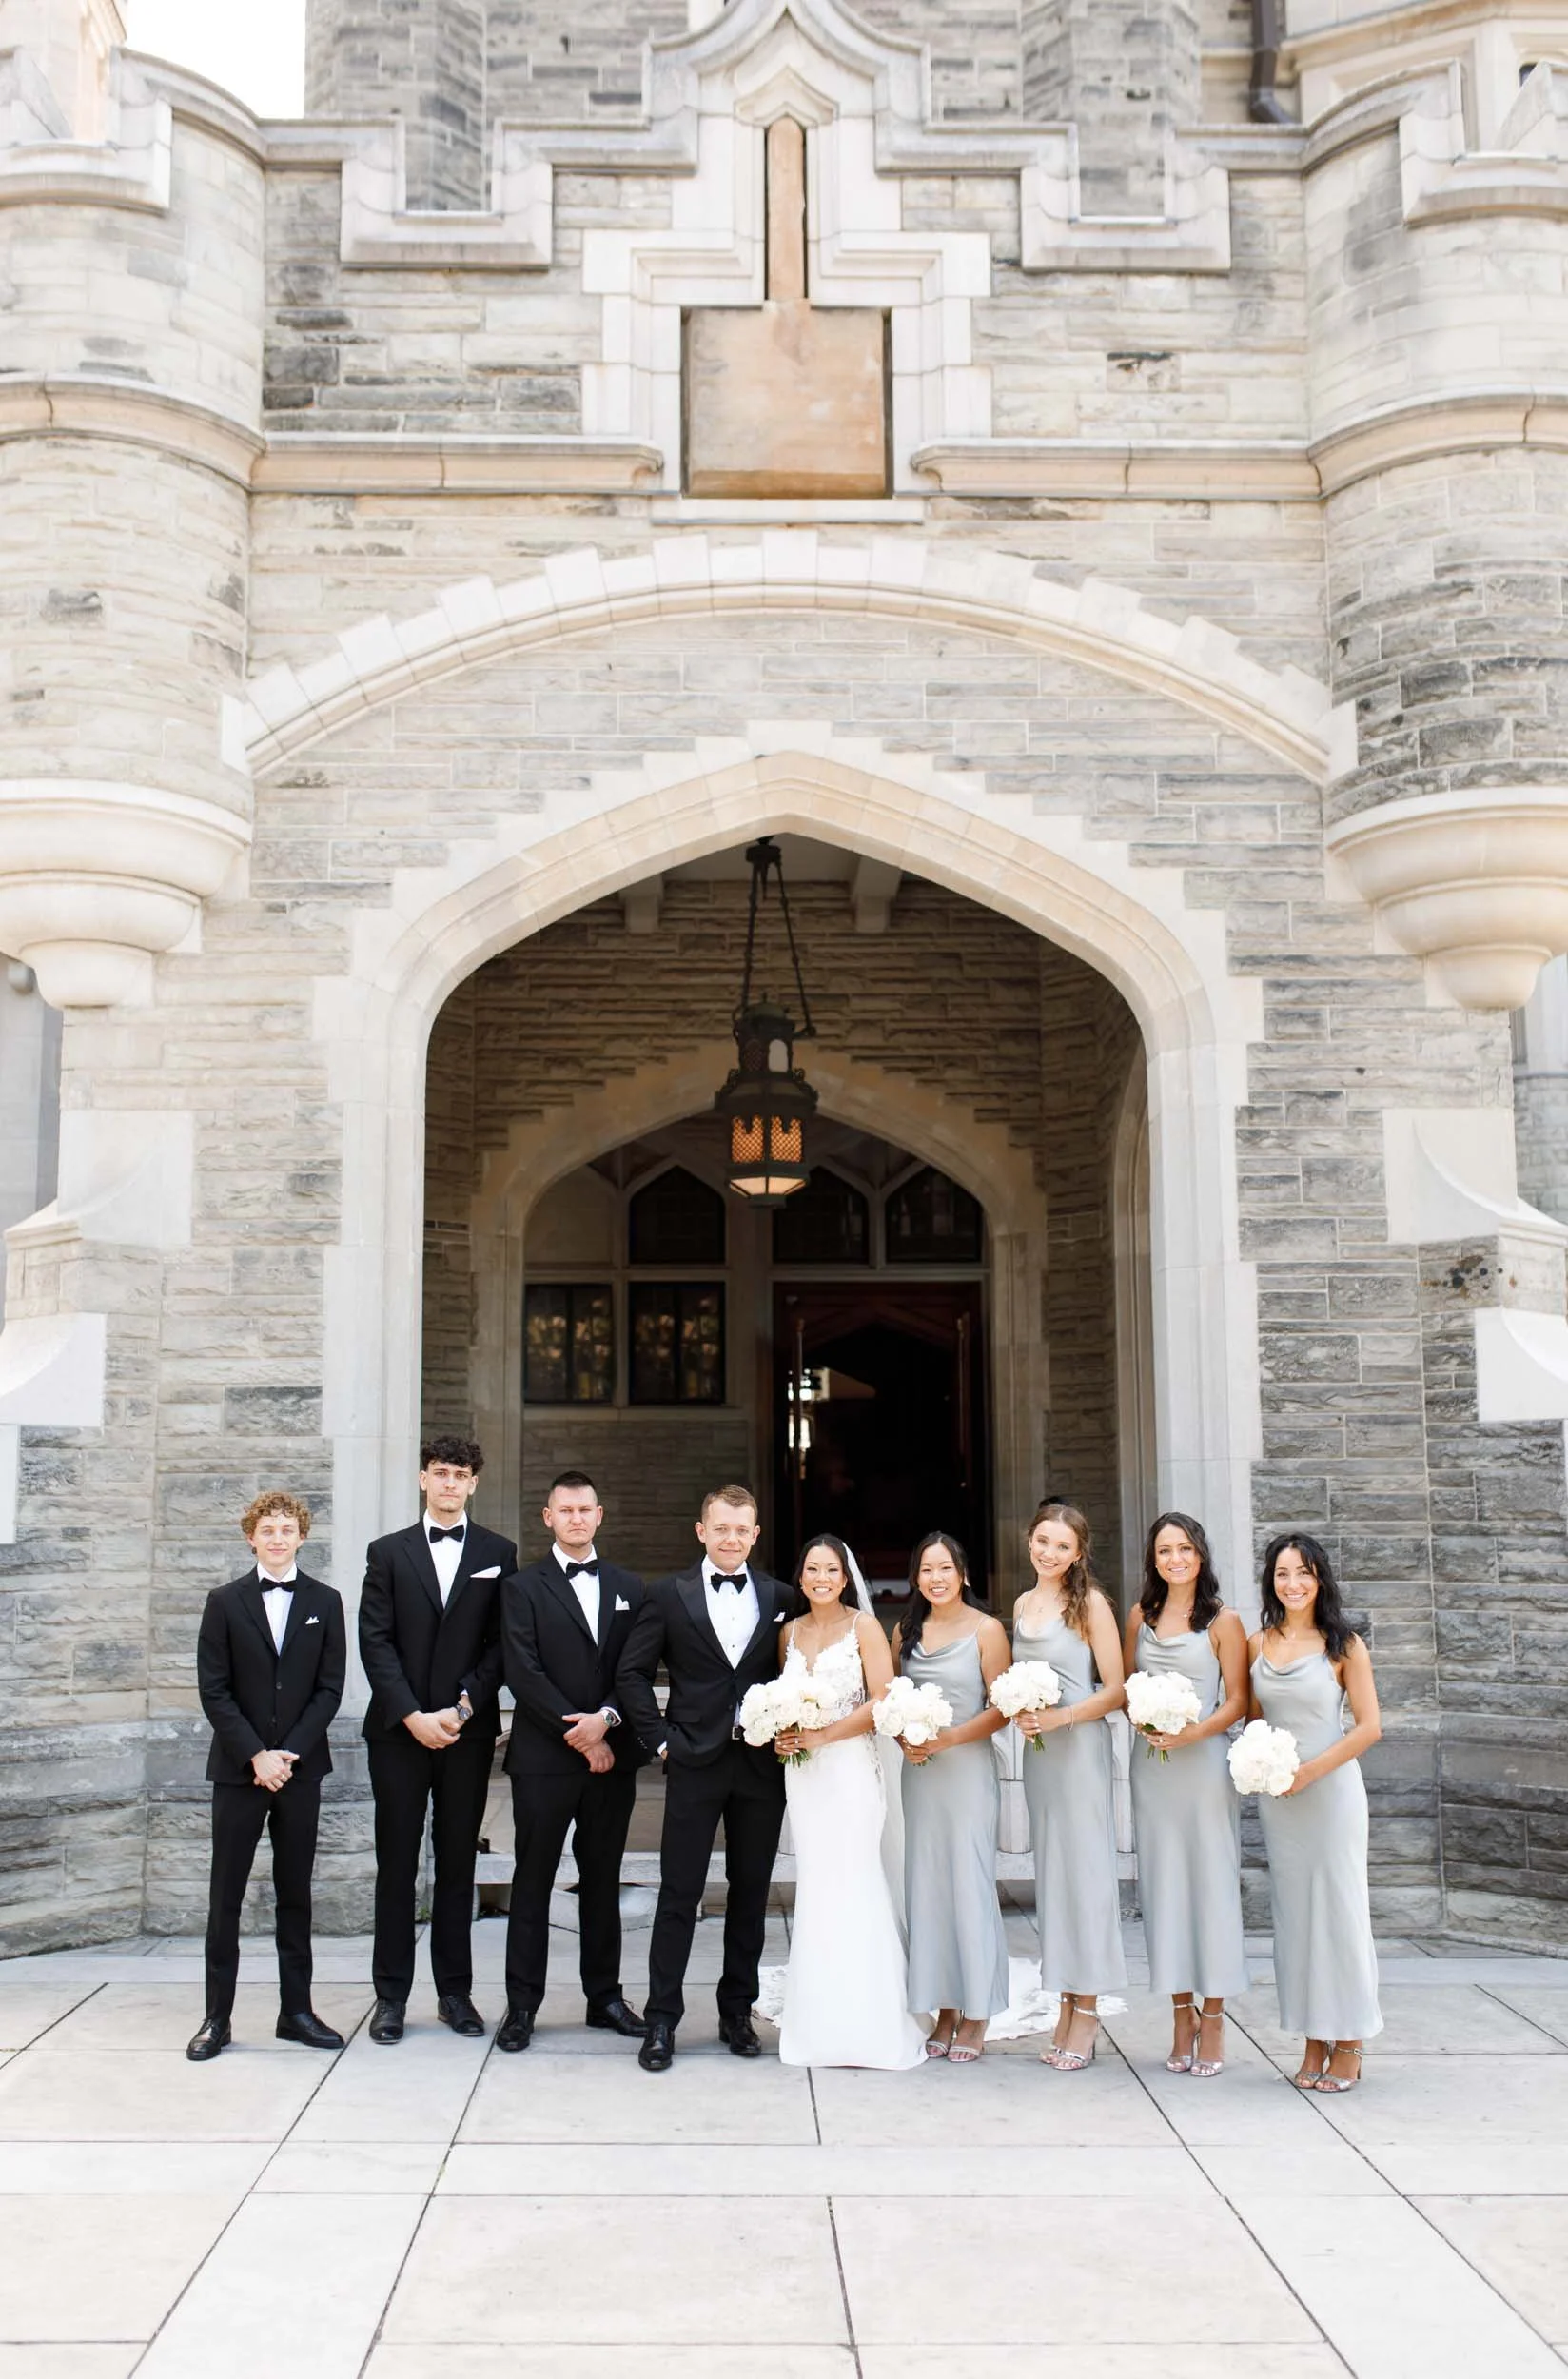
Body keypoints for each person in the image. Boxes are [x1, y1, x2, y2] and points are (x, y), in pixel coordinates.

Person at [615, 1484, 802, 2072]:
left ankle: (735, 2014)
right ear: (702, 1531)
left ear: (755, 1535)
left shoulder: (782, 1598)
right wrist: (661, 1741)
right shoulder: (667, 1594)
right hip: (692, 1763)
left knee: (751, 1896)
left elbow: (802, 1674)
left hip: (759, 1766)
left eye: (742, 1530)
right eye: (721, 1528)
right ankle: (662, 2021)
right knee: (679, 1894)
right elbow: (632, 1673)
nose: (731, 1539)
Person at [359, 1434, 517, 2044]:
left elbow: (503, 1643)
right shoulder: (387, 1552)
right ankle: (390, 1998)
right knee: (396, 1866)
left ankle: (456, 1993)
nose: (450, 1483)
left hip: (467, 1732)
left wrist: (462, 1707)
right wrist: (412, 1715)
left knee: (457, 1864)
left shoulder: (497, 1552)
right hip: (398, 1735)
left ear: (474, 1484)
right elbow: (376, 1641)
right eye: (440, 1473)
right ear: (424, 1479)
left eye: (460, 1475)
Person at [187, 1492, 347, 2062]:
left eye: (287, 1528)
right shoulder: (224, 1602)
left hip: (299, 1773)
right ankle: (216, 2017)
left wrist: (288, 1755)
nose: (277, 1537)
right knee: (225, 1896)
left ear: (303, 1536)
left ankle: (296, 2012)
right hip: (239, 1771)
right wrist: (256, 1754)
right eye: (267, 1529)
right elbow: (214, 1689)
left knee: (295, 1894)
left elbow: (330, 1688)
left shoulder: (325, 1602)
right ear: (250, 1537)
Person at [496, 1469, 649, 2051]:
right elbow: (522, 1670)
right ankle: (522, 2006)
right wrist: (581, 1733)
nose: (577, 1519)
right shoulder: (522, 1588)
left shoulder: (631, 1586)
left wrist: (605, 1722)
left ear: (600, 1515)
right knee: (532, 1881)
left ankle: (604, 1998)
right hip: (544, 1759)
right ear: (549, 1518)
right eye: (566, 1511)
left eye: (586, 1510)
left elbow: (633, 1670)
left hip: (612, 1759)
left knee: (602, 1881)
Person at [762, 1536, 926, 2069]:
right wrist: (785, 1733)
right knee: (817, 1884)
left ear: (844, 1576)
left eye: (830, 1569)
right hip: (804, 1778)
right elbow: (778, 1701)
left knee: (855, 1878)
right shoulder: (789, 1631)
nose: (821, 1577)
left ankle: (871, 2019)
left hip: (851, 1770)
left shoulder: (864, 1627)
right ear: (801, 1575)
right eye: (811, 1568)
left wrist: (822, 1736)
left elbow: (884, 1700)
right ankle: (819, 2017)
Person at [1248, 1532, 1382, 2092]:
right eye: (1282, 1573)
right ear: (1271, 1582)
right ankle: (1311, 2036)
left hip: (1330, 1796)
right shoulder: (1258, 1642)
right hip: (1280, 1802)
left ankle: (1348, 2040)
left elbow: (1371, 1728)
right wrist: (1261, 1766)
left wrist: (1309, 1771)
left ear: (1320, 1579)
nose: (1293, 1583)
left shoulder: (1343, 1645)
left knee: (1339, 1913)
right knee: (1297, 1919)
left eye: (1303, 1572)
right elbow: (1253, 1719)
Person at [1122, 1511, 1249, 2077]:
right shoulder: (1139, 1617)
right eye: (1165, 1550)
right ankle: (1180, 2014)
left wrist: (1191, 1731)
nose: (1175, 1559)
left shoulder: (1223, 1621)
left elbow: (1238, 1700)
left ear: (1201, 1556)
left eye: (1185, 1550)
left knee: (1211, 1886)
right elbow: (1126, 1688)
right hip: (1153, 1767)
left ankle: (1215, 2016)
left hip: (1203, 1766)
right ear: (1154, 1559)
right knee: (1166, 1886)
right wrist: (1146, 1722)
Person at [1010, 1499, 1127, 2072]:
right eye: (1043, 1541)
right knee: (1054, 1879)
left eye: (1062, 1545)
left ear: (1078, 1552)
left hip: (1077, 1749)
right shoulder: (1023, 1603)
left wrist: (1061, 1717)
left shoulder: (1091, 1605)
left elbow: (1116, 1689)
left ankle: (1088, 2009)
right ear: (1029, 1540)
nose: (1050, 1552)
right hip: (1040, 1758)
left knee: (1085, 1877)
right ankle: (1064, 2001)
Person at [894, 1531, 1011, 2064]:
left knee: (968, 1883)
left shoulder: (987, 1630)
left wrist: (948, 1738)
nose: (935, 1578)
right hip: (919, 1775)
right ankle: (942, 2007)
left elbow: (1002, 1707)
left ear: (963, 1573)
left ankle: (977, 2011)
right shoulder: (907, 1631)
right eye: (925, 1570)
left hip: (965, 1770)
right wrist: (904, 1737)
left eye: (944, 1568)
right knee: (929, 1887)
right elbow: (890, 1698)